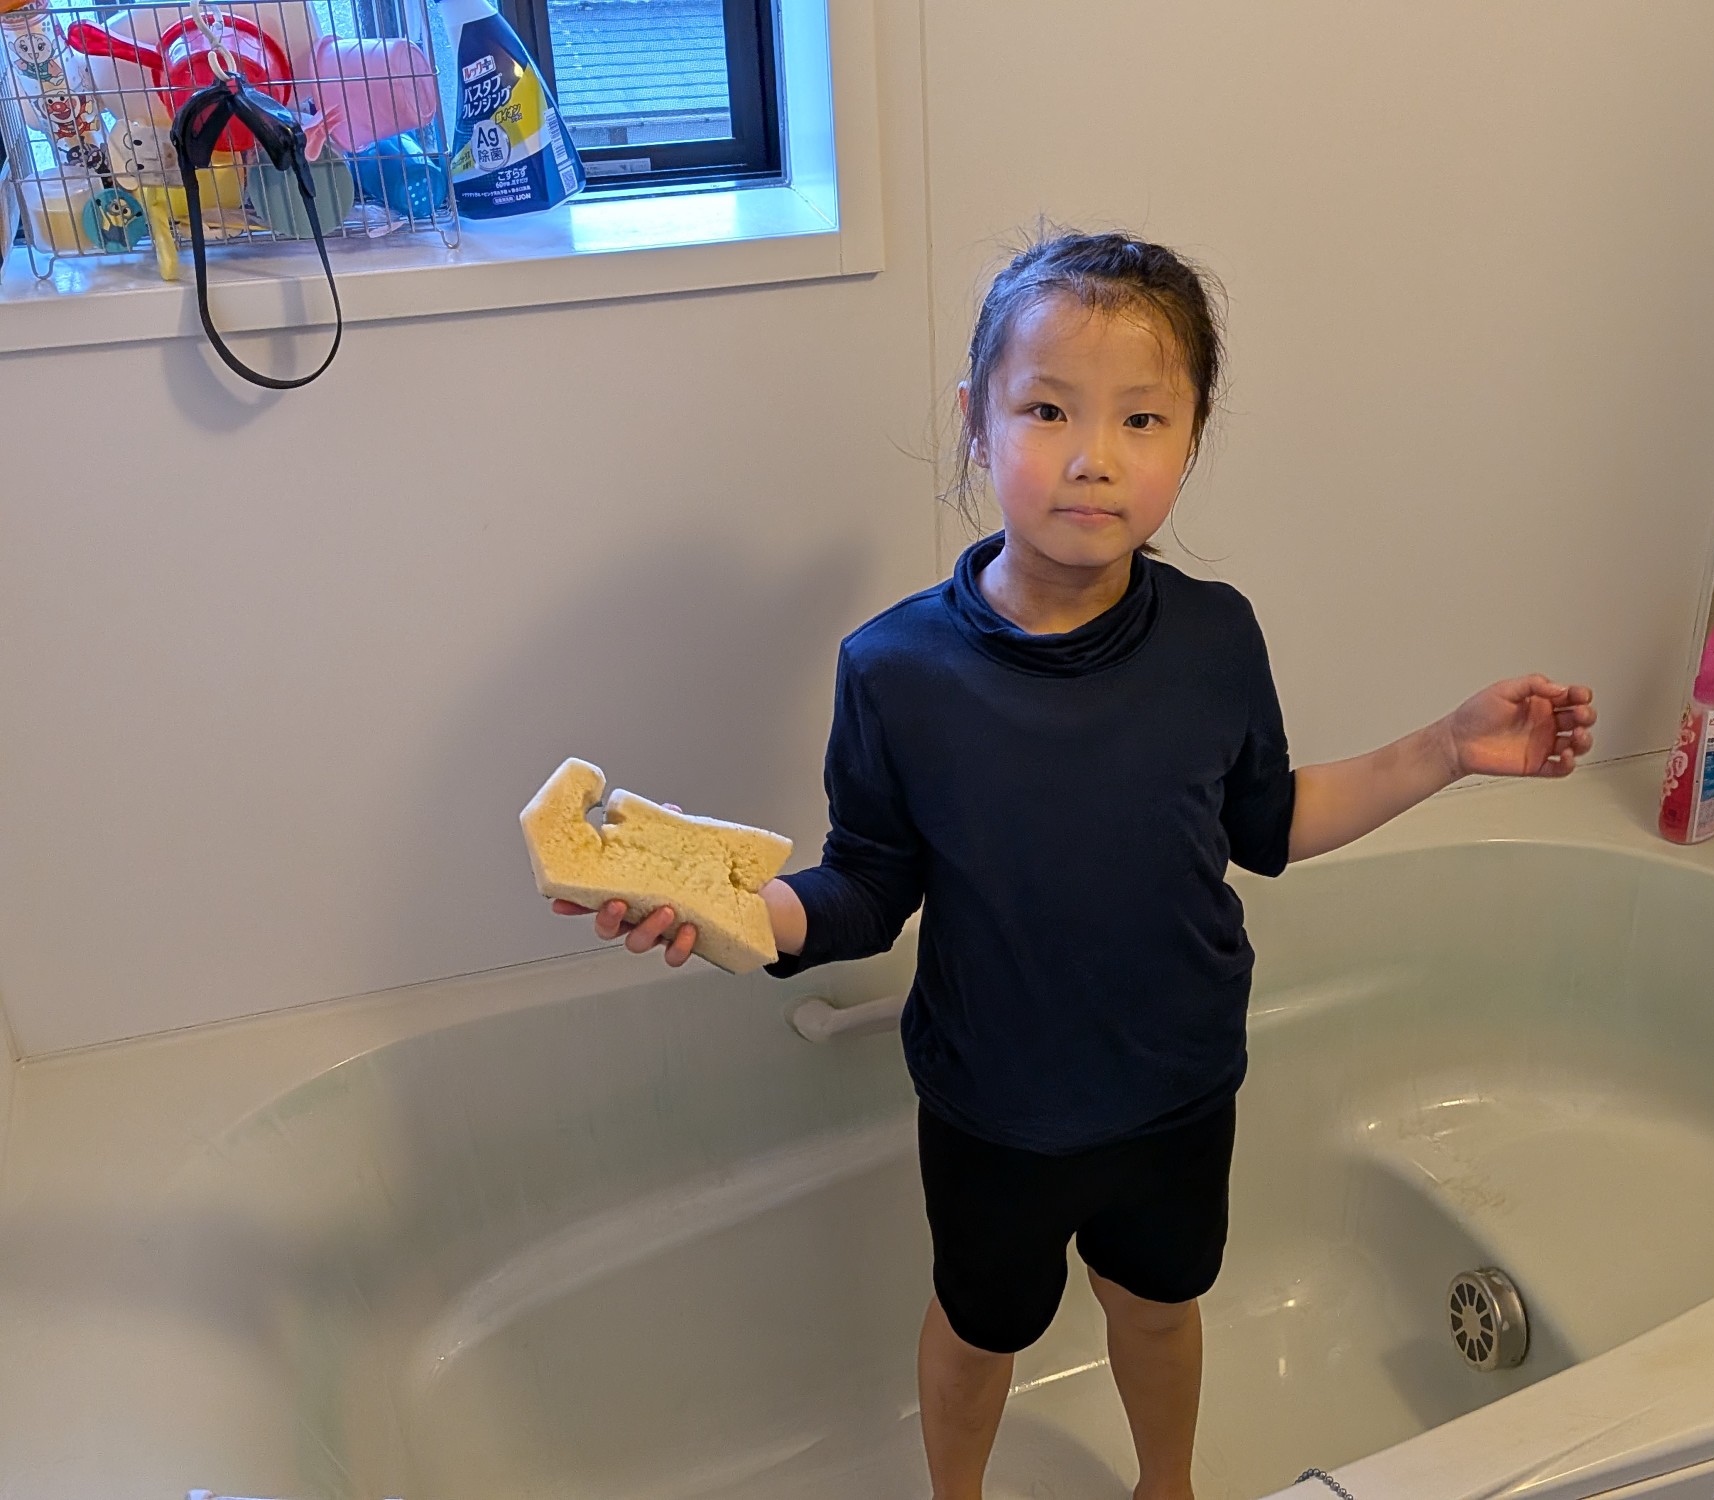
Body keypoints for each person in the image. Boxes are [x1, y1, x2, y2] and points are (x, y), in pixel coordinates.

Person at [556, 230, 1597, 1500]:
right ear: (976, 424)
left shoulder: (1216, 638)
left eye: (1140, 418)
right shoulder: (892, 672)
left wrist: (1442, 748)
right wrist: (732, 909)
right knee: (977, 1332)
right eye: (1046, 409)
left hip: (1175, 1091)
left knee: (1156, 1312)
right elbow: (868, 888)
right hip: (993, 1111)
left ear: (1188, 440)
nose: (1093, 455)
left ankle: (1168, 1485)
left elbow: (1265, 824)